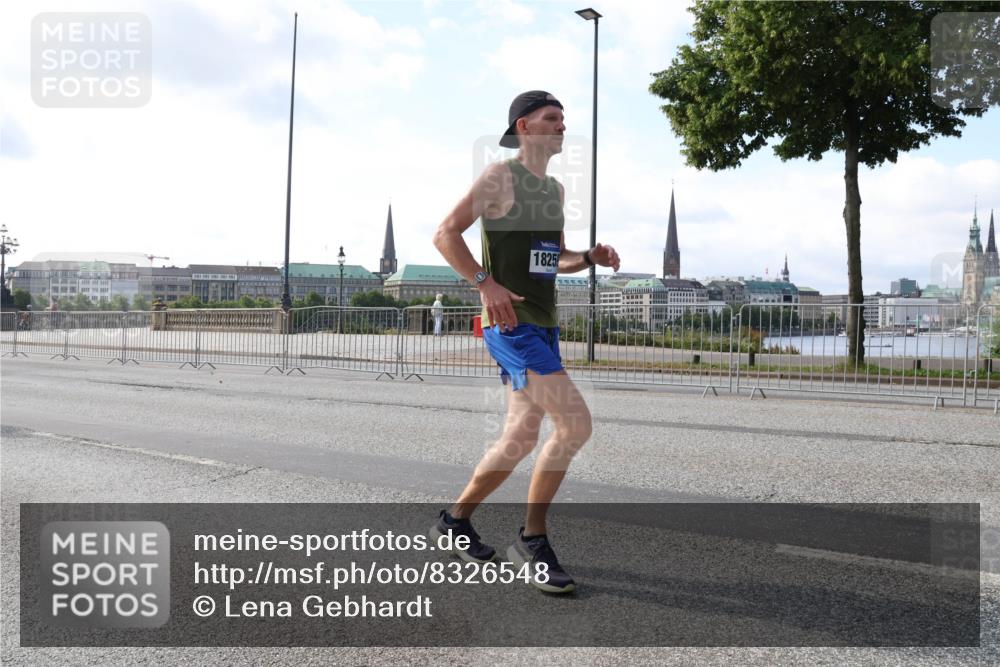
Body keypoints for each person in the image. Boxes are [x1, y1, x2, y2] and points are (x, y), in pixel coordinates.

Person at [430, 90, 620, 593]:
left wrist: (589, 258)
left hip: (545, 325)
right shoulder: (500, 177)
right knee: (575, 423)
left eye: (563, 119)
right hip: (511, 324)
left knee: (519, 438)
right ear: (524, 127)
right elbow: (446, 233)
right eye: (551, 118)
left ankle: (454, 521)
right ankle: (531, 540)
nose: (562, 126)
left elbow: (554, 259)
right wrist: (484, 283)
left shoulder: (554, 190)